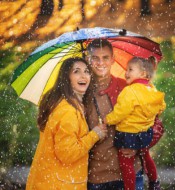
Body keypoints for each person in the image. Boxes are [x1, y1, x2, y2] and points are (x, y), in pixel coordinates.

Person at [26, 57, 107, 190]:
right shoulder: (68, 111)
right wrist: (95, 134)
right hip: (59, 184)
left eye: (86, 71)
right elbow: (67, 154)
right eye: (76, 71)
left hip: (52, 181)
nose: (83, 75)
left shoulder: (68, 105)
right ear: (66, 78)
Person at [84, 39, 145, 190]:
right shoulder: (81, 92)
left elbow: (153, 124)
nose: (100, 63)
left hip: (130, 173)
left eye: (105, 57)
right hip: (96, 177)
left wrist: (137, 145)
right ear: (88, 59)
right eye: (95, 58)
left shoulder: (128, 88)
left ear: (112, 59)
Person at [105, 56, 166, 190]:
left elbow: (121, 112)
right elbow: (161, 107)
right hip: (145, 133)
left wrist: (108, 119)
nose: (126, 73)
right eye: (127, 69)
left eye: (130, 70)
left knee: (126, 164)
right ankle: (154, 182)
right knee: (146, 156)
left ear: (143, 73)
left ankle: (129, 188)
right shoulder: (152, 89)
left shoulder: (130, 91)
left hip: (129, 134)